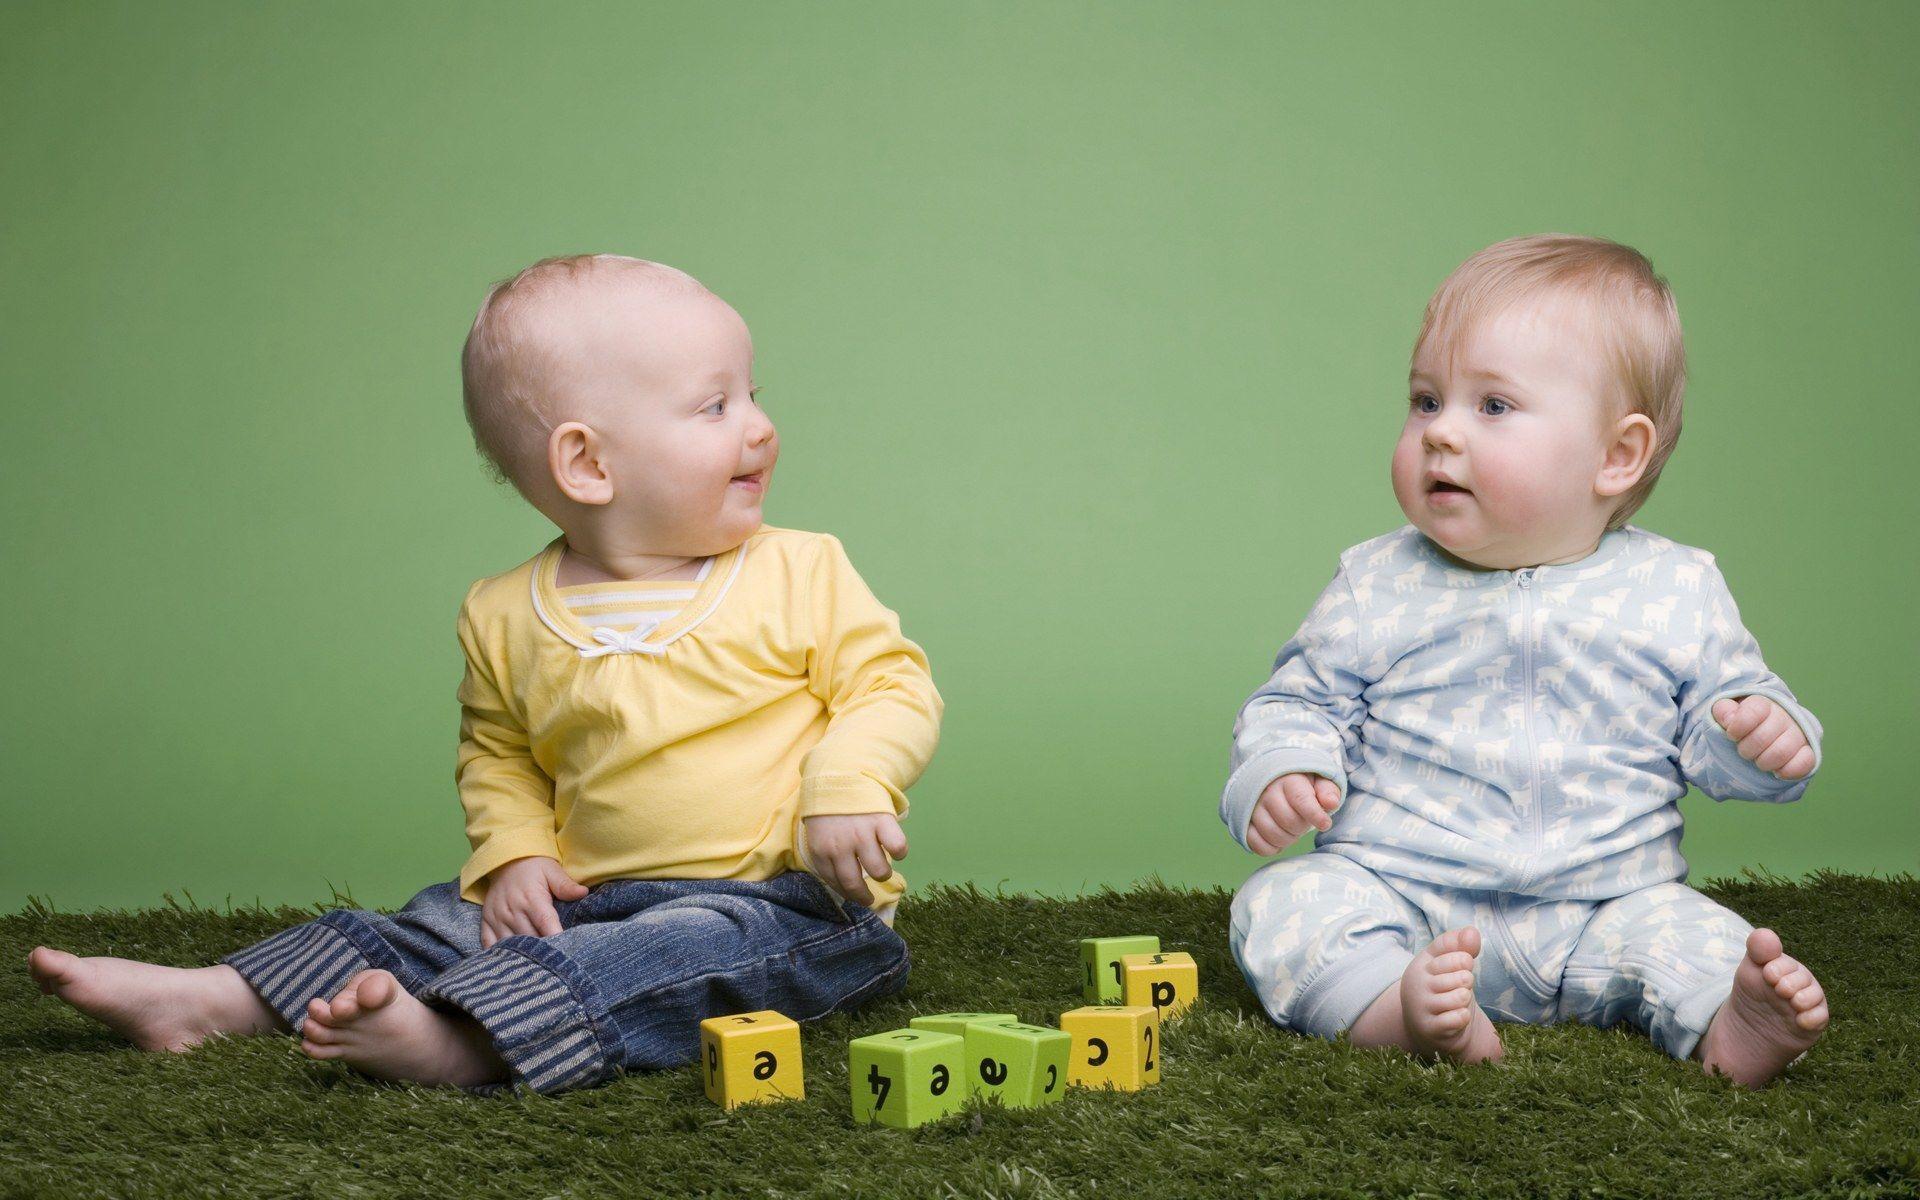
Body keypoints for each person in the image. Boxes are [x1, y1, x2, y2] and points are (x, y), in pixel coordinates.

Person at [30, 254, 942, 1094]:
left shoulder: (800, 569)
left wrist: (847, 786)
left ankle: (461, 1047)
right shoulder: (505, 613)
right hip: (582, 896)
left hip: (783, 904)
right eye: (716, 407)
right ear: (587, 463)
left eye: (754, 394)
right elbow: (500, 754)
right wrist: (516, 853)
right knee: (437, 924)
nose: (761, 425)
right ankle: (216, 999)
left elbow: (889, 684)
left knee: (676, 952)